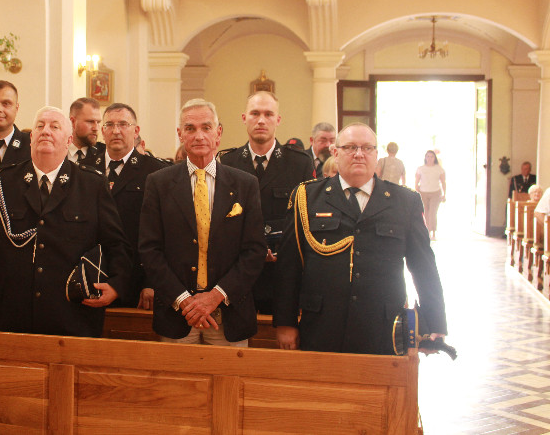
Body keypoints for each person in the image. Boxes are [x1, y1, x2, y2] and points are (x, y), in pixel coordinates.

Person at [274, 123, 447, 355]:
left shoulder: (405, 201)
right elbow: (289, 266)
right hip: (321, 327)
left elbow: (423, 266)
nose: (359, 154)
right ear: (335, 153)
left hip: (382, 328)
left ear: (376, 154)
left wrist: (434, 324)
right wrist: (285, 322)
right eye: (350, 147)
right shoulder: (306, 197)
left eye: (367, 148)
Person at [0, 106, 131, 337]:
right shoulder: (3, 181)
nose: (46, 131)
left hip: (72, 316)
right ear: (31, 138)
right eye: (40, 126)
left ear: (68, 140)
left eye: (54, 126)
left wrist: (117, 285)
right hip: (12, 316)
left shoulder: (91, 184)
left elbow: (115, 244)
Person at [139, 99, 266, 347]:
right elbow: (149, 249)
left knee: (228, 374)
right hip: (177, 314)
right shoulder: (158, 183)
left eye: (206, 128)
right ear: (180, 134)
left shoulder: (245, 184)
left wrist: (215, 296)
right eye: (190, 128)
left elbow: (254, 250)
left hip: (229, 314)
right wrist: (184, 300)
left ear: (218, 133)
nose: (199, 136)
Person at [219, 92, 314, 314]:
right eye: (255, 113)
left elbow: (306, 219)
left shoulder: (299, 163)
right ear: (244, 118)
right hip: (238, 273)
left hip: (282, 273)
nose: (261, 120)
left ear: (278, 120)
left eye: (268, 114)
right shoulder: (227, 162)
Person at [86, 103, 169, 309]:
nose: (116, 131)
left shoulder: (156, 172)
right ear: (102, 131)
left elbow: (163, 232)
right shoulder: (85, 168)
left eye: (123, 124)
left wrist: (151, 281)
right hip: (93, 274)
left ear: (136, 130)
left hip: (137, 279)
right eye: (110, 125)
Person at [415, 150, 446, 240]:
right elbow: (416, 181)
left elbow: (443, 182)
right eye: (428, 156)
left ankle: (433, 232)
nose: (429, 158)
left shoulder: (439, 169)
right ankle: (426, 232)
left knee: (432, 212)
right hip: (423, 192)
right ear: (425, 158)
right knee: (425, 213)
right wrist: (417, 191)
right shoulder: (421, 169)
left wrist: (444, 194)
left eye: (431, 156)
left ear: (434, 158)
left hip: (435, 193)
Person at [67, 97, 104, 164]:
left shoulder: (104, 154)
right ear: (73, 122)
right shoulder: (56, 152)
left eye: (98, 122)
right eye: (90, 122)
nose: (96, 128)